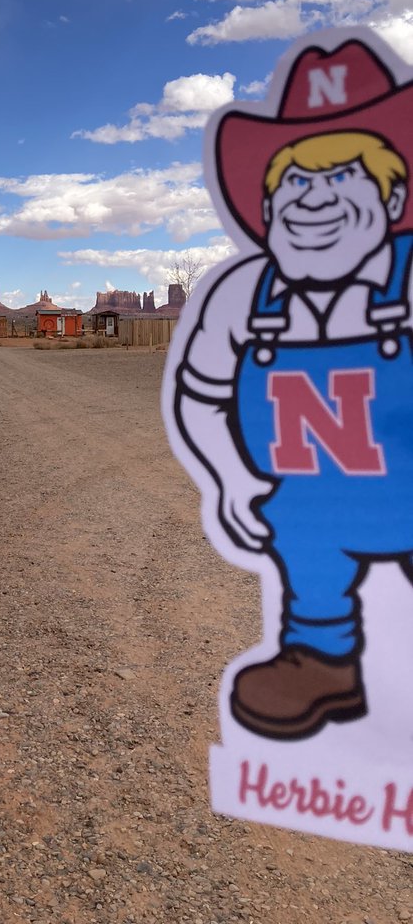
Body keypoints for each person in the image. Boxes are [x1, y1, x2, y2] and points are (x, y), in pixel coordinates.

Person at [175, 38, 413, 741]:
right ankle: (320, 659)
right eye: (297, 183)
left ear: (393, 193)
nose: (316, 200)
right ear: (269, 203)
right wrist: (227, 480)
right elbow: (202, 394)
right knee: (306, 535)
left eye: (343, 177)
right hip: (310, 500)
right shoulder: (245, 296)